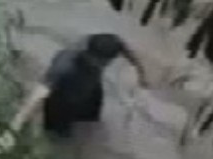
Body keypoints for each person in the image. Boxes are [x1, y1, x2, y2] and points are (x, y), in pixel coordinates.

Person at [11, 33, 152, 138]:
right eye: (101, 63)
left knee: (92, 122)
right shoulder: (65, 64)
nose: (104, 65)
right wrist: (12, 130)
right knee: (60, 137)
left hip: (91, 89)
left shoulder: (111, 43)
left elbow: (129, 53)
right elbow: (38, 94)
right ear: (89, 55)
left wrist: (142, 76)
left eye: (107, 62)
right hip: (62, 99)